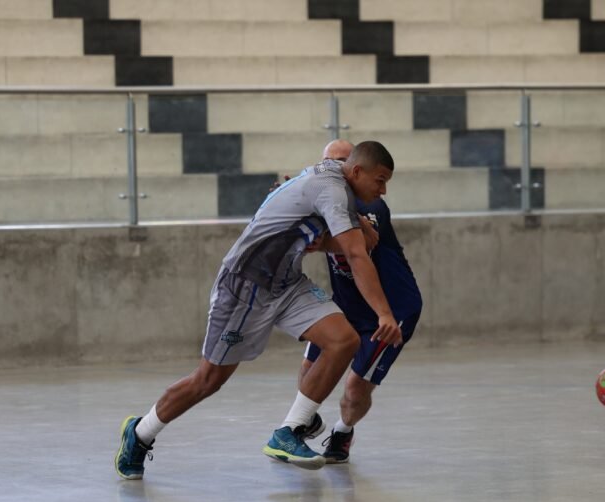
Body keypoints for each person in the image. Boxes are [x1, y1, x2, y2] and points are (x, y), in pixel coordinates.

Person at [114, 141, 404, 477]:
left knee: (343, 340)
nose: (383, 191)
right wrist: (385, 314)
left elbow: (359, 239)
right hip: (244, 287)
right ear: (355, 171)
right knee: (208, 380)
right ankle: (140, 432)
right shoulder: (331, 190)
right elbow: (355, 253)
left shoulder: (335, 182)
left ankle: (289, 431)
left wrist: (353, 225)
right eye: (380, 181)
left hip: (286, 283)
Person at [293, 139, 423, 463]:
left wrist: (321, 235)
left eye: (343, 162)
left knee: (354, 389)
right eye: (329, 163)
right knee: (308, 372)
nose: (336, 170)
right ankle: (303, 421)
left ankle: (343, 432)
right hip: (346, 305)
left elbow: (355, 243)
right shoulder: (323, 197)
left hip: (389, 309)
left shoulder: (372, 205)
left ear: (356, 169)